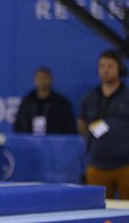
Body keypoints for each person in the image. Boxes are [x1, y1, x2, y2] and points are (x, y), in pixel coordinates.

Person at [78, 50, 129, 199]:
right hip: (97, 165)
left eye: (110, 66)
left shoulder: (127, 95)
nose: (105, 69)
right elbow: (82, 124)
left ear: (119, 69)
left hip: (126, 165)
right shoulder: (89, 98)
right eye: (102, 66)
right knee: (99, 210)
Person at [13, 66, 77, 135]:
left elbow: (70, 127)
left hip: (55, 142)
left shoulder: (61, 103)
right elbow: (18, 125)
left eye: (44, 78)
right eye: (39, 78)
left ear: (51, 80)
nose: (42, 81)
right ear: (35, 80)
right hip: (29, 142)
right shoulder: (27, 101)